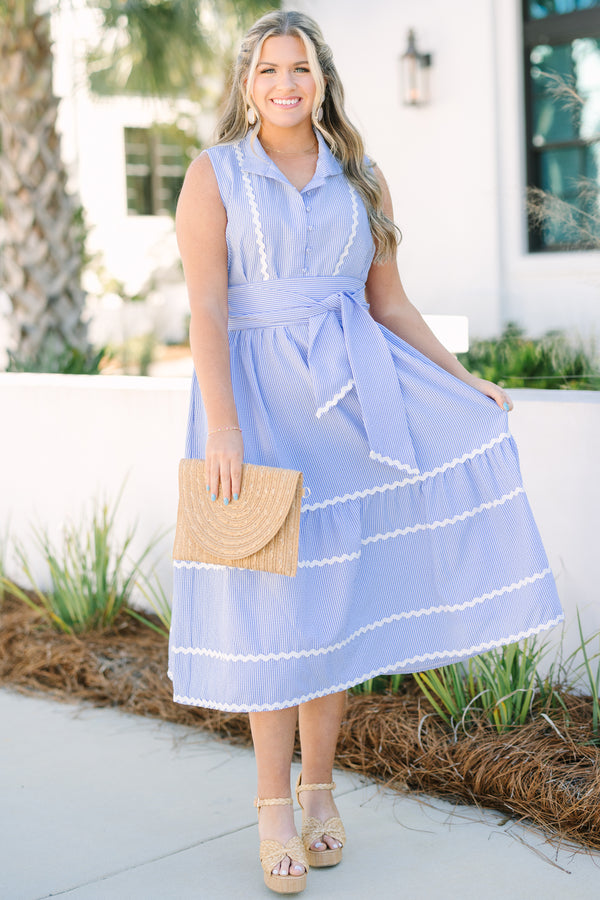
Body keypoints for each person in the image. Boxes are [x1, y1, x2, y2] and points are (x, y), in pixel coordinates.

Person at [168, 9, 563, 894]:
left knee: (334, 611)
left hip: (354, 412)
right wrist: (222, 427)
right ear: (246, 83)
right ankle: (272, 811)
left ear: (322, 79)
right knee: (276, 613)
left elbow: (391, 304)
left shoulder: (363, 176)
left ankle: (319, 796)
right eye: (268, 69)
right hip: (260, 412)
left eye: (299, 67)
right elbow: (206, 311)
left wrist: (465, 385)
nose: (284, 84)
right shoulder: (214, 175)